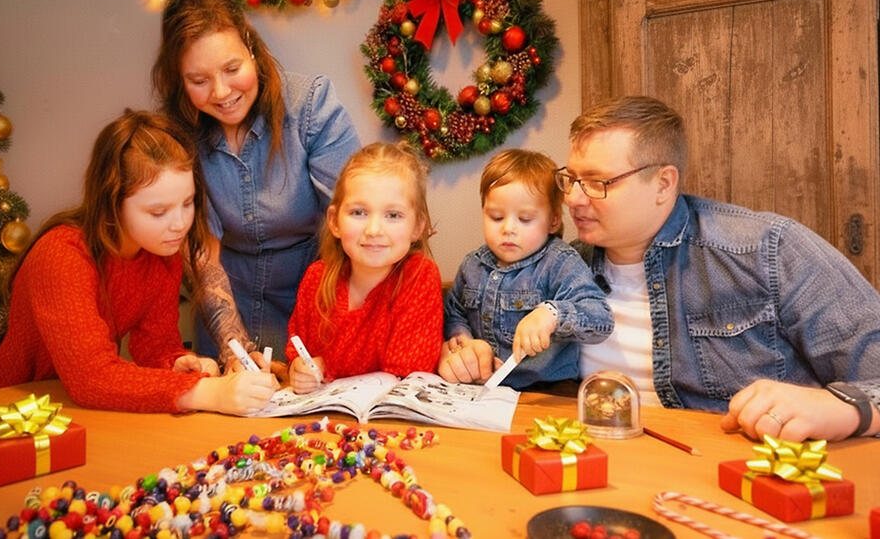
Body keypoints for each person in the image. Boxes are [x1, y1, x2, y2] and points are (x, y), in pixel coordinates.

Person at [558, 95, 880, 441]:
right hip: (602, 473)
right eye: (571, 179)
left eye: (598, 182)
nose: (573, 199)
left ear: (663, 184)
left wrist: (842, 407)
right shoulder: (561, 268)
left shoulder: (769, 250)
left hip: (744, 477)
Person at [0, 110, 278, 414]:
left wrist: (177, 363)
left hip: (79, 412)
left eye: (187, 203)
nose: (179, 224)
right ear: (112, 202)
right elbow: (92, 377)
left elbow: (156, 347)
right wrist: (205, 392)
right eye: (158, 212)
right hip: (10, 410)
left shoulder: (161, 254)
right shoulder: (61, 254)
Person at [152, 0, 360, 362]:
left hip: (316, 293)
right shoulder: (177, 131)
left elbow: (355, 219)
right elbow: (203, 251)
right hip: (227, 300)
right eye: (198, 81)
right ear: (178, 80)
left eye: (232, 69)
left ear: (252, 48)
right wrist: (236, 351)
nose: (221, 92)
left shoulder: (310, 104)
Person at [438, 149, 613, 389]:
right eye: (496, 217)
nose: (508, 228)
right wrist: (463, 340)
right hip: (483, 388)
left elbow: (599, 316)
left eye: (525, 219)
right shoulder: (472, 265)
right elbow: (454, 312)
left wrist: (551, 315)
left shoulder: (559, 262)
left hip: (548, 391)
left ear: (552, 220)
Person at [285, 142, 443, 393]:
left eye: (393, 215)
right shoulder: (316, 278)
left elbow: (407, 372)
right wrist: (300, 369)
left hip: (392, 425)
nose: (373, 230)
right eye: (359, 212)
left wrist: (329, 369)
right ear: (334, 221)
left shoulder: (419, 277)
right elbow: (298, 351)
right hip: (324, 421)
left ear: (417, 226)